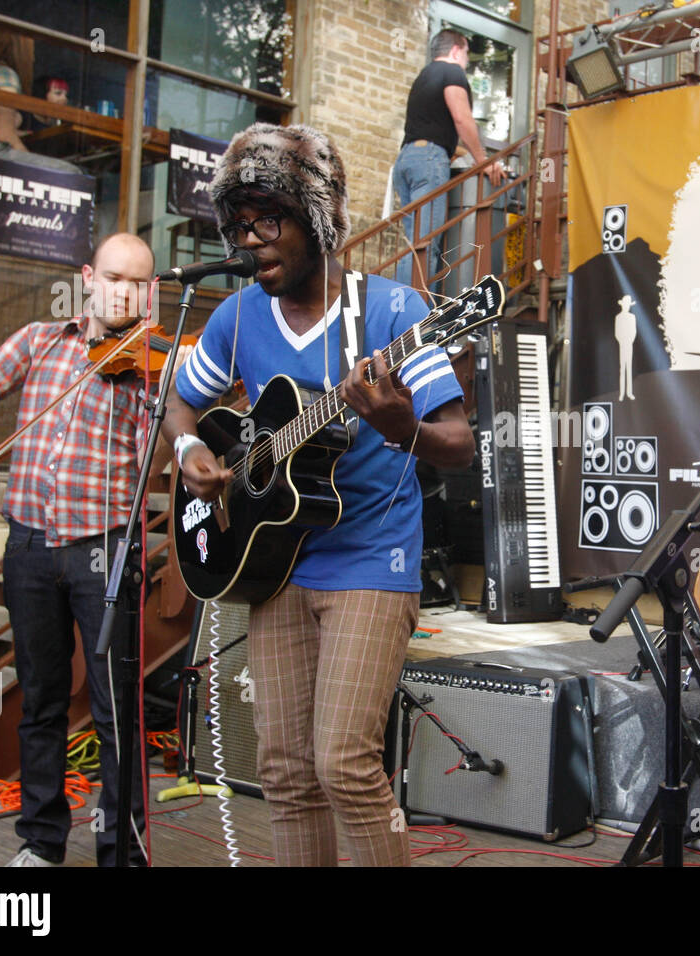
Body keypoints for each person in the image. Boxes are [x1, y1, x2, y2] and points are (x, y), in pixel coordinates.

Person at [166, 123, 474, 867]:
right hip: (273, 563)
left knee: (342, 762)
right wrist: (192, 449)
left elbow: (460, 444)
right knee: (282, 768)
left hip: (371, 556)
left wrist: (403, 429)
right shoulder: (238, 316)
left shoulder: (395, 315)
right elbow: (179, 403)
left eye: (268, 220)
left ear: (318, 220)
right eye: (239, 225)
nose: (251, 241)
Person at [0, 233, 159, 867]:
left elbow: (158, 463)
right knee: (41, 700)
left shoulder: (149, 366)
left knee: (115, 711)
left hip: (103, 548)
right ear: (88, 278)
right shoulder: (37, 340)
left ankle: (122, 855)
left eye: (138, 283)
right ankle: (42, 841)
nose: (123, 292)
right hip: (27, 544)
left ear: (151, 292)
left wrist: (163, 404)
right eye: (113, 278)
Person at [394, 29, 506, 287]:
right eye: (466, 54)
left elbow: (431, 124)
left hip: (407, 159)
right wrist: (484, 161)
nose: (466, 61)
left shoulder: (424, 77)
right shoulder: (453, 72)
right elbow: (462, 119)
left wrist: (457, 152)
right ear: (456, 50)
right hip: (429, 161)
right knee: (426, 244)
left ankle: (397, 307)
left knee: (415, 245)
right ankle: (415, 317)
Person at [0, 31, 80, 174]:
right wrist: (27, 156)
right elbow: (5, 134)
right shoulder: (5, 76)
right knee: (70, 171)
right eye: (31, 52)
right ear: (21, 52)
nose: (33, 58)